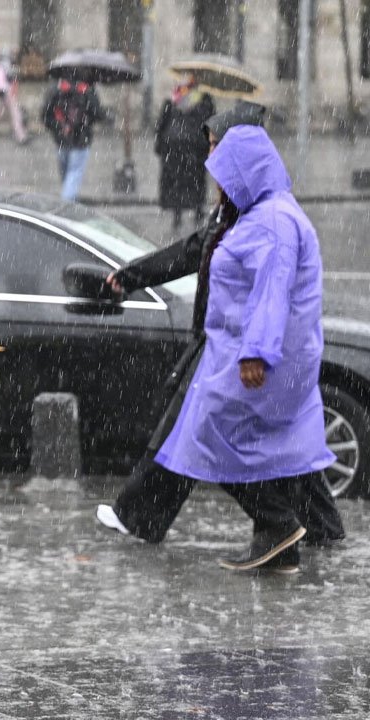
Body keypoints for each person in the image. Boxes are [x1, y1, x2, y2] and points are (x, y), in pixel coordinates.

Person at [95, 101, 344, 551]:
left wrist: (257, 351)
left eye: (217, 151)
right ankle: (313, 532)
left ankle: (276, 526)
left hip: (241, 351)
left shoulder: (267, 219)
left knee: (205, 432)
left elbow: (272, 291)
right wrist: (130, 278)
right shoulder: (238, 211)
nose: (211, 166)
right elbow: (190, 252)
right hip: (224, 344)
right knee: (261, 443)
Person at [155, 75, 215, 232]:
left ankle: (177, 214)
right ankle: (197, 211)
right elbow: (211, 123)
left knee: (176, 180)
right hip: (195, 145)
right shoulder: (204, 99)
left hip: (172, 145)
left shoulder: (173, 98)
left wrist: (159, 145)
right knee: (196, 179)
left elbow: (161, 123)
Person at [41, 78, 106, 201]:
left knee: (67, 177)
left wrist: (59, 127)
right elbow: (97, 113)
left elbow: (45, 116)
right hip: (81, 140)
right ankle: (67, 204)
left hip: (61, 140)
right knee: (74, 175)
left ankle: (68, 200)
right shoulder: (87, 89)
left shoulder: (56, 88)